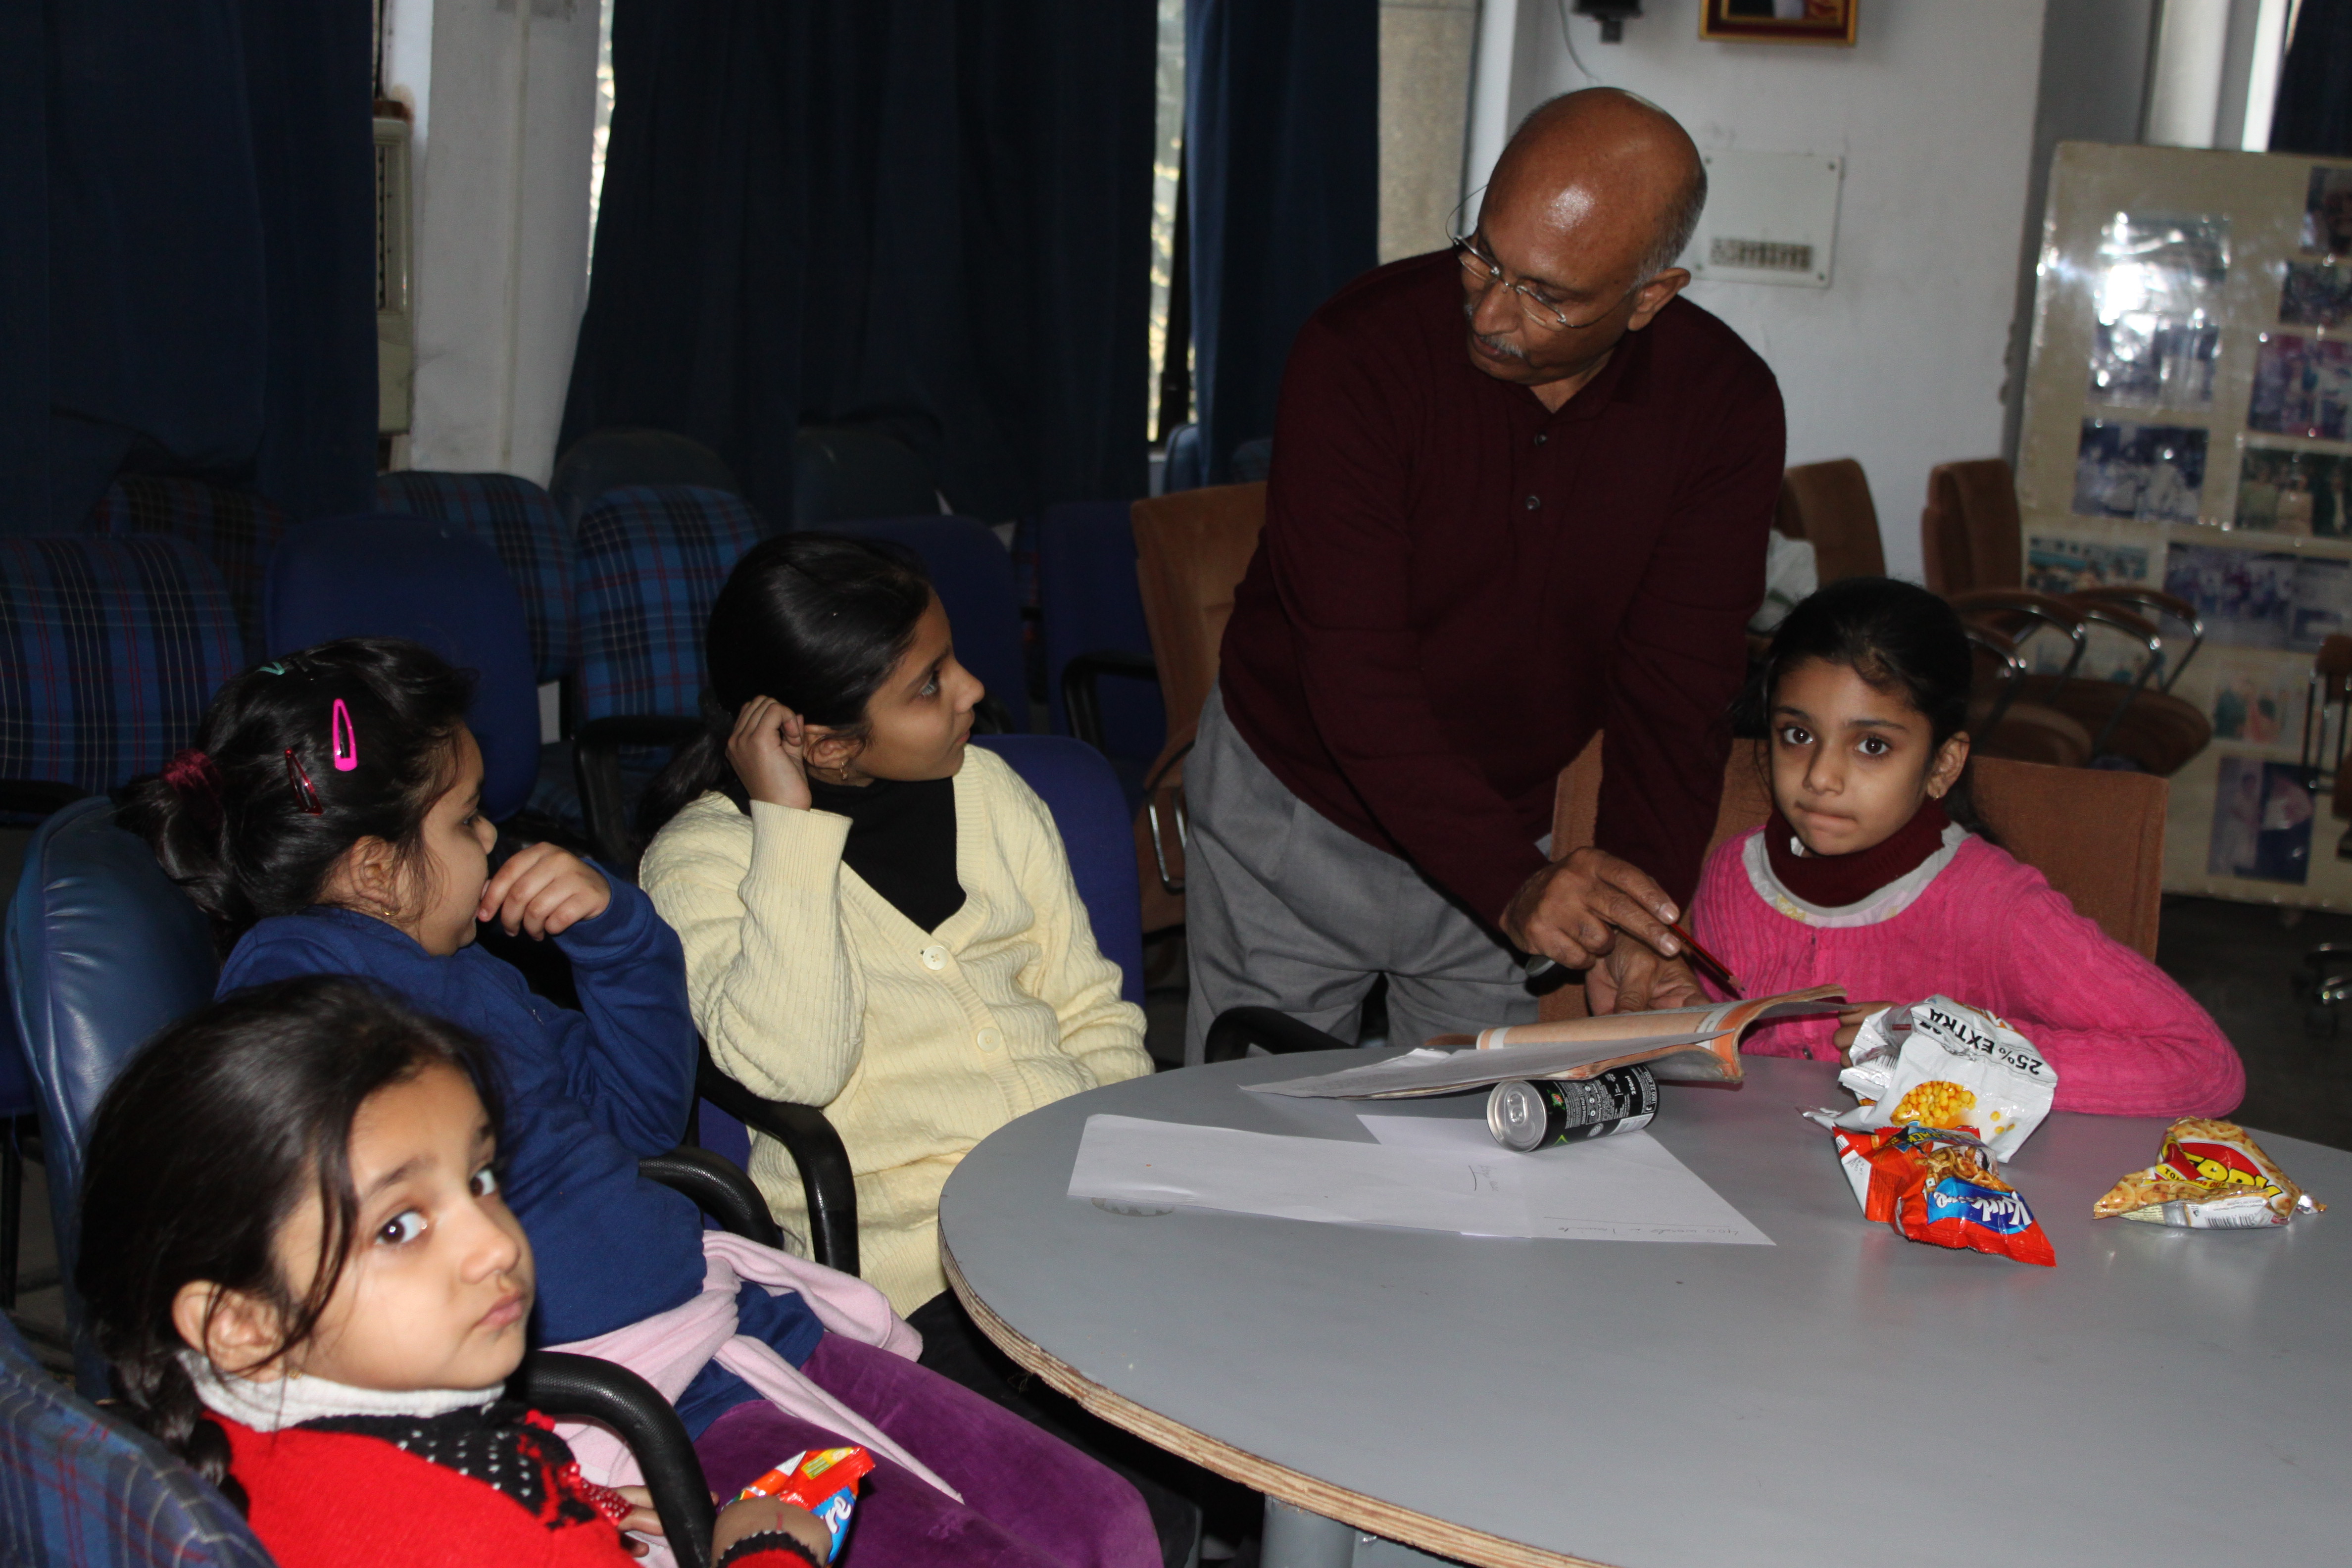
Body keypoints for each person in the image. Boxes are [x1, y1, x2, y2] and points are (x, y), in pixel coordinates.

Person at [127, 639, 1162, 1568]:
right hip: (643, 1404)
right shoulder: (303, 1014)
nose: (493, 838)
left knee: (1103, 1521)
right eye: (467, 819)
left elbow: (638, 1117)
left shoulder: (466, 972)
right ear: (374, 871)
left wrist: (617, 939)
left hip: (741, 1331)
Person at [1185, 87, 1785, 1061]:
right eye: (1482, 255)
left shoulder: (1722, 409)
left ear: (1650, 297)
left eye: (1549, 295)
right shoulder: (1361, 352)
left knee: (1476, 1135)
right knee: (1255, 1123)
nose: (1492, 313)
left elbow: (1677, 691)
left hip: (1512, 821)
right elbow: (1355, 671)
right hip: (1295, 808)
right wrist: (1513, 883)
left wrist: (1633, 912)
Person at [631, 537, 1197, 1559]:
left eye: (953, 659)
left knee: (1290, 1389)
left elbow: (1094, 1014)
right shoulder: (705, 863)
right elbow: (795, 1068)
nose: (974, 688)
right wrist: (788, 832)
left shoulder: (992, 792)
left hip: (1086, 1218)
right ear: (821, 743)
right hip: (923, 1279)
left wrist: (1118, 1172)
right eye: (930, 683)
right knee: (1140, 1499)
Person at [76, 977, 831, 1568]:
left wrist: (589, 1508)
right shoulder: (496, 1531)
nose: (495, 1245)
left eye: (480, 1178)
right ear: (241, 1325)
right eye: (398, 1227)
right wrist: (765, 1553)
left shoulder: (199, 1441)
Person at [1682, 578, 2244, 1117]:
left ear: (1943, 765)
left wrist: (1960, 1052)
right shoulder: (1734, 875)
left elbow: (2204, 1065)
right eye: (1798, 735)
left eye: (1872, 745)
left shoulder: (1994, 907)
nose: (1821, 777)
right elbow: (1709, 1055)